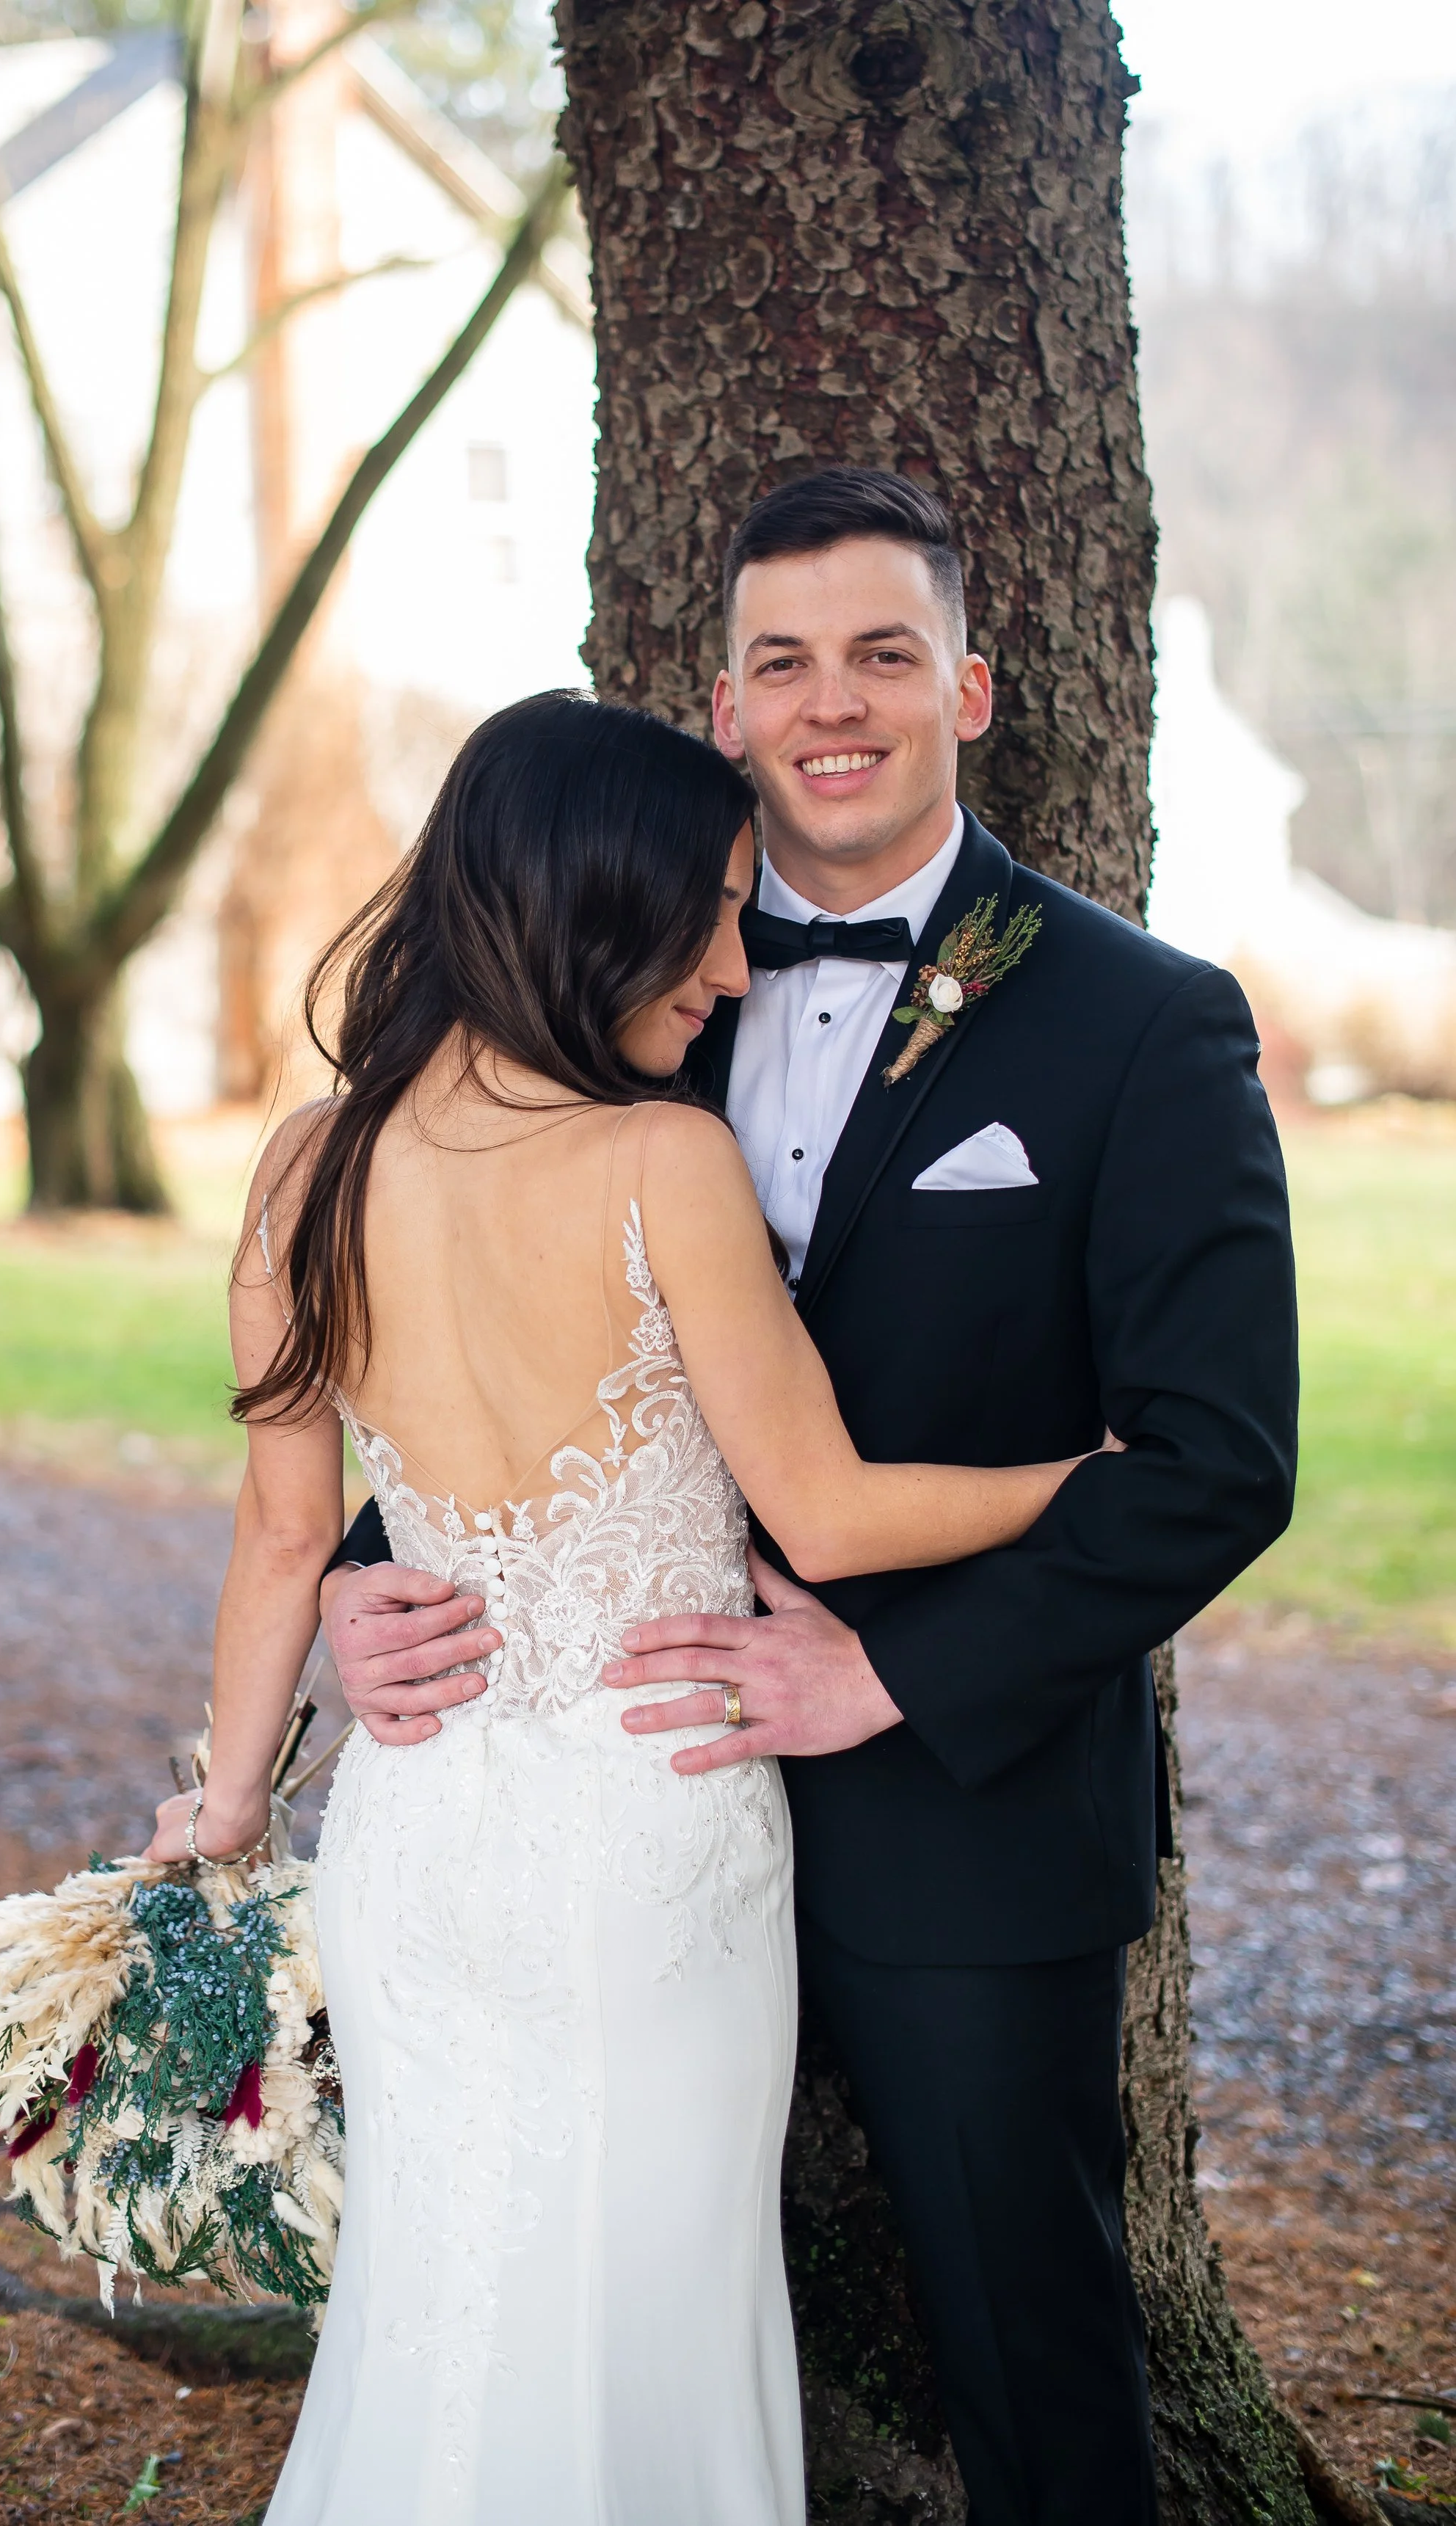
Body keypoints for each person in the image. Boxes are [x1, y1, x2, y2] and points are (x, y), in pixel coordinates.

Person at [318, 470, 1300, 2524]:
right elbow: (459, 1312)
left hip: (963, 1811)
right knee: (594, 2329)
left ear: (968, 682)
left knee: (1034, 2367)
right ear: (720, 705)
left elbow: (1216, 1462)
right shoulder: (615, 984)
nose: (829, 701)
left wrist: (895, 1675)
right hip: (611, 1815)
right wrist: (368, 1568)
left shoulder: (1139, 1022)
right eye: (781, 662)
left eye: (877, 652)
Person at [144, 685, 1110, 2526]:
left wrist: (232, 1806)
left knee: (441, 2309)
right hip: (646, 1834)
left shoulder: (304, 1167)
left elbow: (282, 1541)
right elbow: (822, 1507)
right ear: (598, 904)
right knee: (641, 2314)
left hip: (414, 1834)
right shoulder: (660, 1159)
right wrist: (1086, 1475)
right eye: (716, 910)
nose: (738, 967)